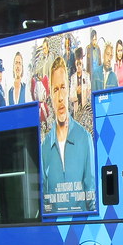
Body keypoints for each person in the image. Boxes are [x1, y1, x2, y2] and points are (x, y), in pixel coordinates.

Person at [42, 56, 95, 213]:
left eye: (63, 87)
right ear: (50, 94)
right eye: (55, 89)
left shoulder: (85, 138)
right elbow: (46, 200)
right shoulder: (45, 146)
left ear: (69, 89)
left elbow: (91, 194)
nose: (60, 97)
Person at [70, 46, 91, 112]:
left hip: (85, 109)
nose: (79, 67)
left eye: (80, 64)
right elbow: (71, 97)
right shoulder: (73, 78)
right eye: (77, 65)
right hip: (77, 110)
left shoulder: (87, 76)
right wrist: (76, 92)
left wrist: (83, 91)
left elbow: (89, 91)